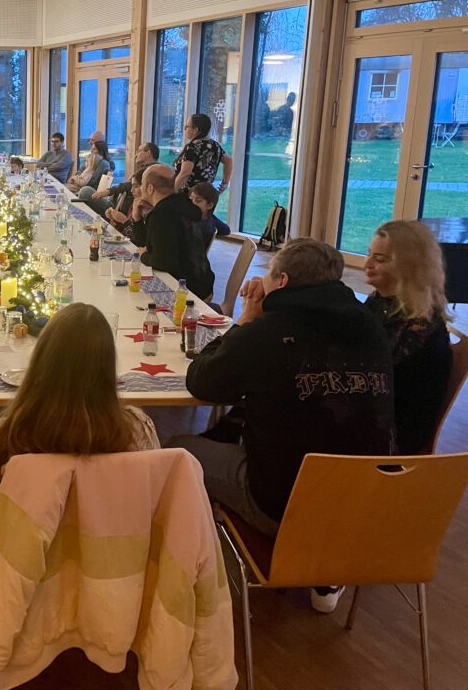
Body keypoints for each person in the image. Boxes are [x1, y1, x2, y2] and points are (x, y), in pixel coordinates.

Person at [167, 239, 394, 584]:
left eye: (269, 273)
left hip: (282, 504)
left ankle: (183, 566)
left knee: (177, 450)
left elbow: (202, 381)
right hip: (363, 503)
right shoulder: (372, 328)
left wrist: (247, 319)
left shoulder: (268, 332)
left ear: (282, 281)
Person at [0, 303, 159, 535]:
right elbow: (152, 508)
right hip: (112, 553)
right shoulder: (139, 430)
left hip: (26, 556)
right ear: (107, 368)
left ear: (41, 361)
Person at [364, 221, 453, 454]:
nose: (367, 264)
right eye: (369, 254)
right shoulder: (380, 301)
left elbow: (379, 380)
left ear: (409, 267)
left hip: (395, 435)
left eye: (380, 259)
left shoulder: (420, 327)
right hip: (378, 414)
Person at [129, 164, 214, 300]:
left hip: (188, 292)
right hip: (203, 282)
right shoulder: (184, 202)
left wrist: (143, 255)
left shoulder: (161, 214)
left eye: (142, 184)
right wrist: (137, 219)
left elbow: (163, 262)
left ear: (150, 188)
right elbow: (147, 243)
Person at [81, 141, 158, 216]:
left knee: (85, 191)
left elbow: (128, 185)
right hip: (116, 202)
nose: (135, 155)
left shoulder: (151, 171)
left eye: (138, 151)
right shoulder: (144, 169)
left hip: (118, 210)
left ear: (148, 153)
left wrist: (109, 191)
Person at [173, 113, 233, 193]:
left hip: (190, 195)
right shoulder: (215, 145)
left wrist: (173, 192)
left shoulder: (192, 147)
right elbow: (228, 160)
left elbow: (185, 173)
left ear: (195, 129)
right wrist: (225, 183)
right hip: (206, 193)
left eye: (186, 126)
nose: (185, 129)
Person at [189, 182, 232, 250]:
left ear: (209, 205)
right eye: (190, 199)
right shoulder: (210, 219)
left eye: (198, 200)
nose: (192, 203)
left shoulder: (197, 225)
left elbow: (226, 230)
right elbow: (226, 230)